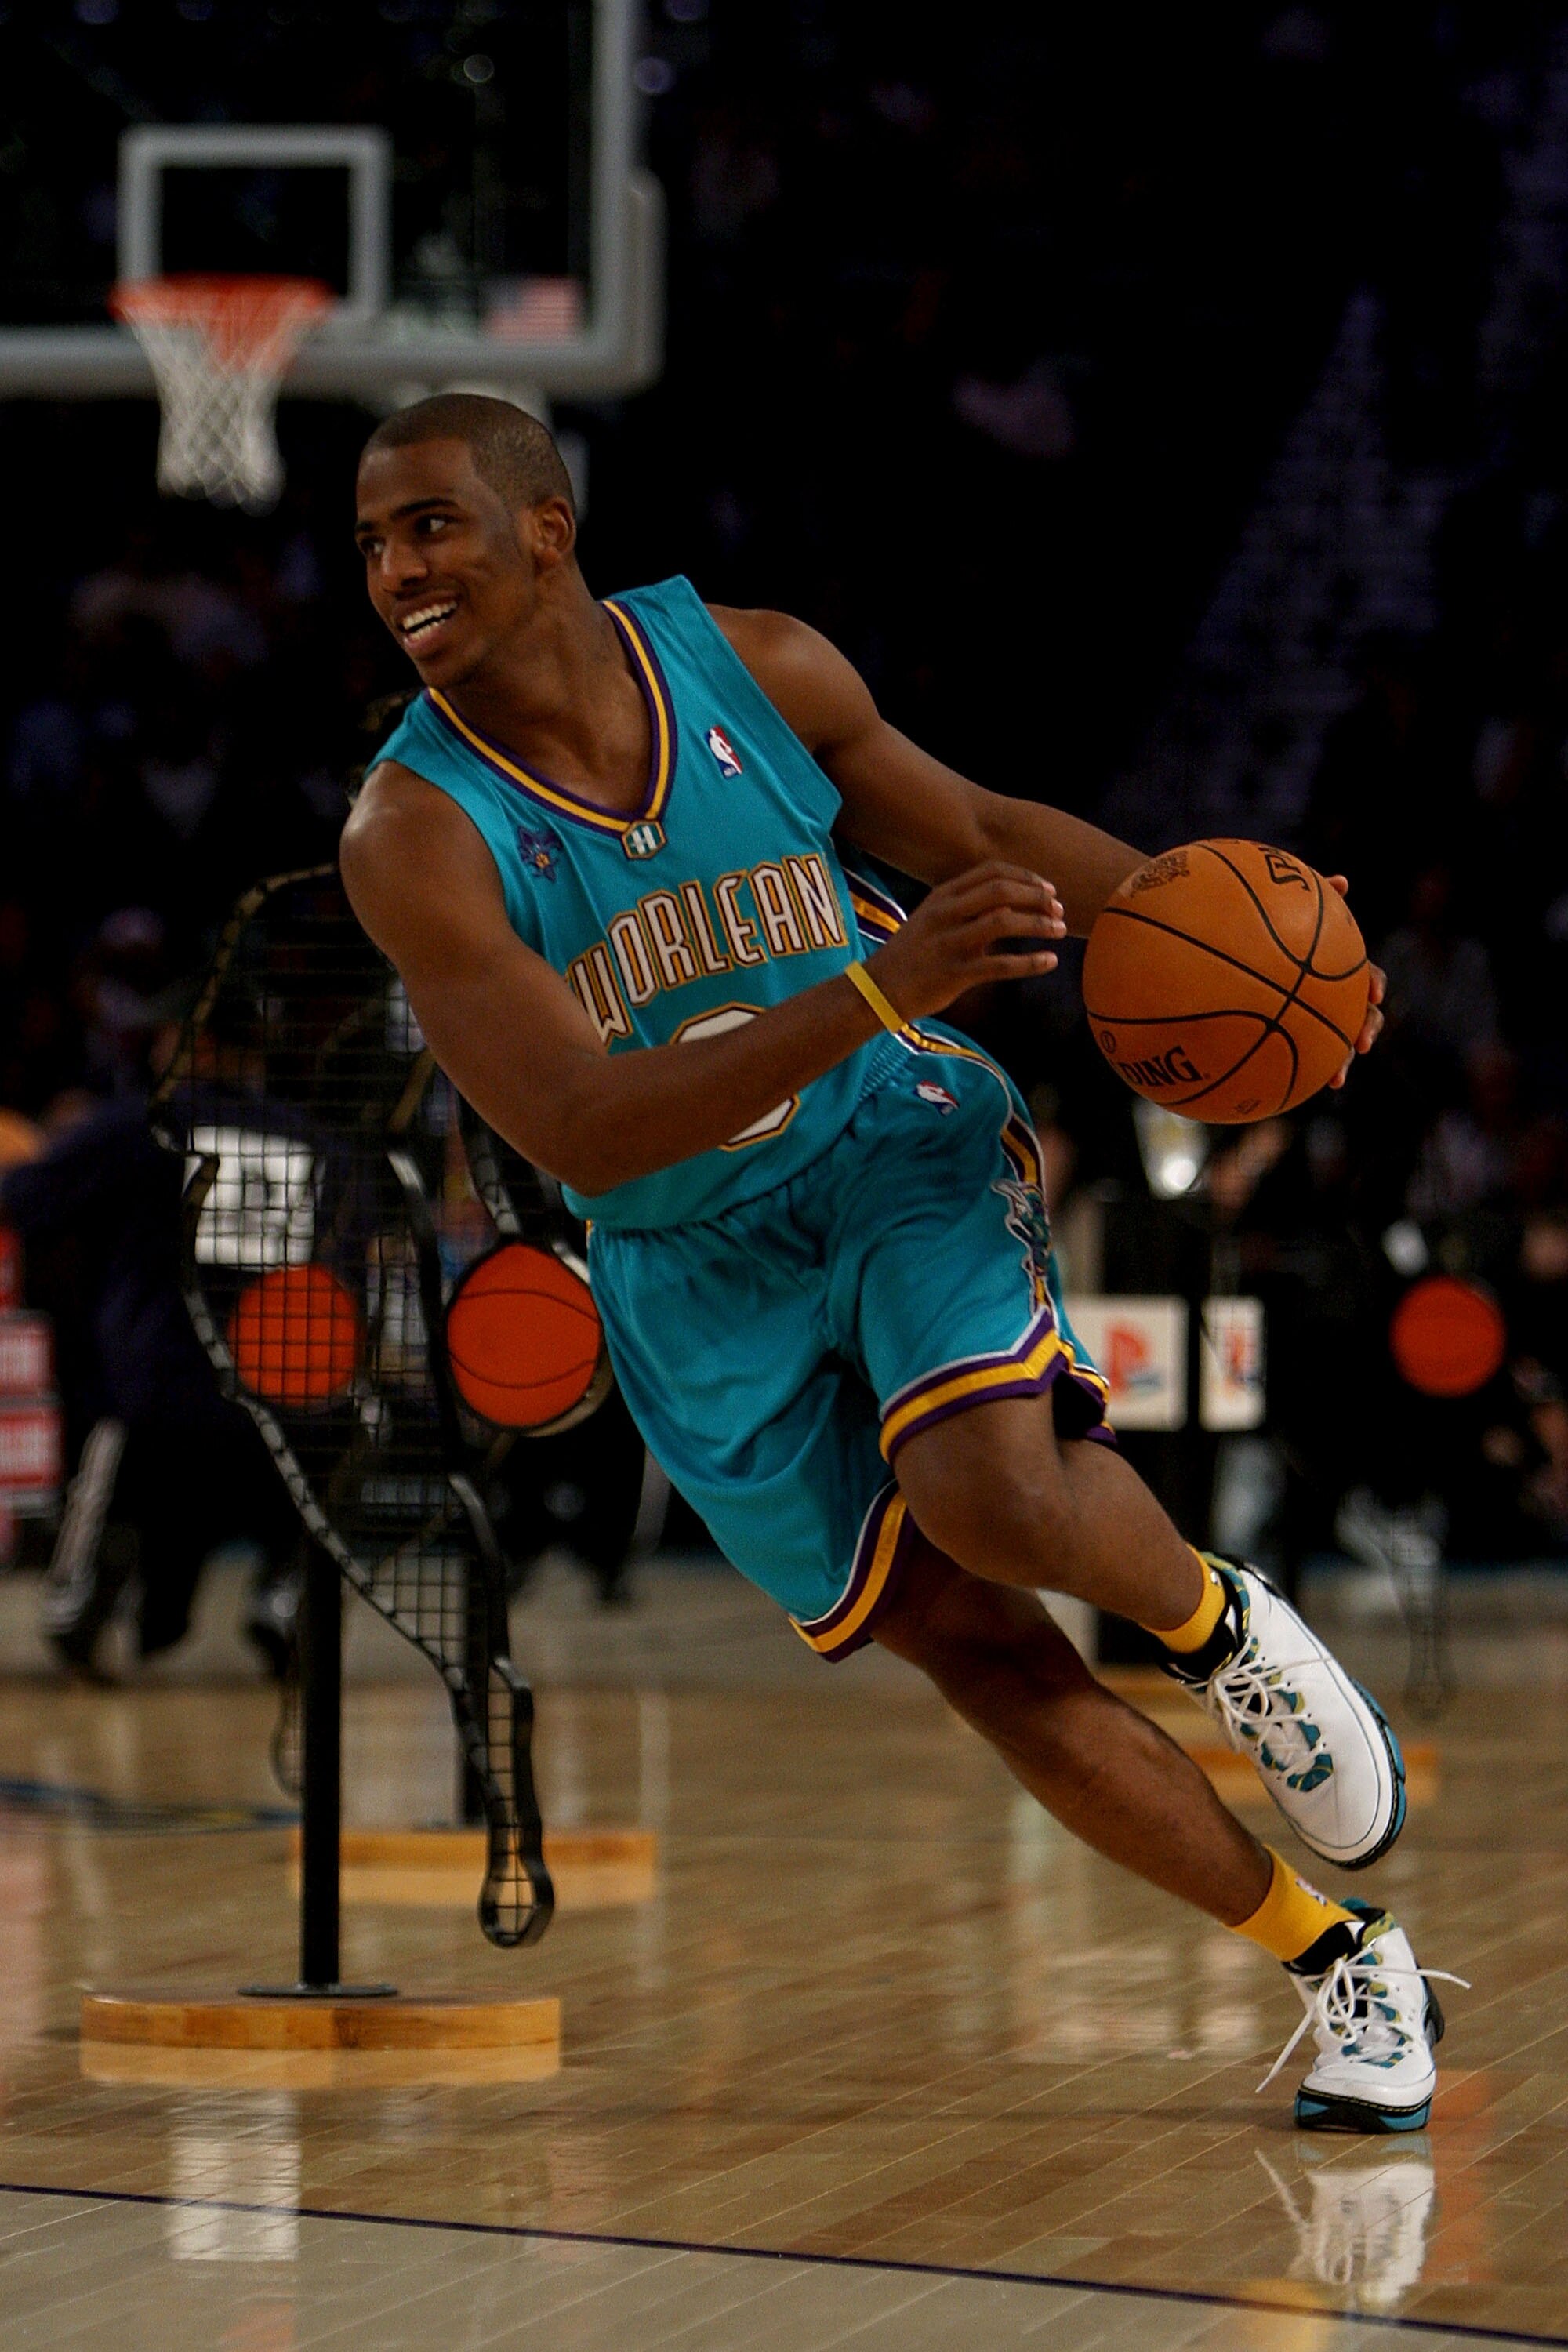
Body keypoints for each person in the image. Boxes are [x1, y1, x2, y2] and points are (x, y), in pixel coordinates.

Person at [342, 394, 1457, 2132]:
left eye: (429, 525)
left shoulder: (756, 668)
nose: (396, 568)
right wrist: (877, 980)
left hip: (889, 1141)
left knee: (992, 1491)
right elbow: (582, 1126)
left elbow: (983, 831)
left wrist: (1260, 964)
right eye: (373, 544)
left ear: (546, 529)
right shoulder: (411, 836)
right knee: (988, 1657)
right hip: (687, 1261)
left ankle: (1221, 1626)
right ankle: (1342, 1959)